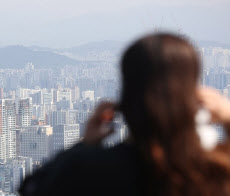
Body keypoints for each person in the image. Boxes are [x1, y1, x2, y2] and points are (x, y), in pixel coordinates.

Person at [18, 33, 230, 196]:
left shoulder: (94, 169)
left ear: (126, 97)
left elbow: (32, 188)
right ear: (195, 96)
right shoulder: (215, 170)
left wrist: (85, 144)